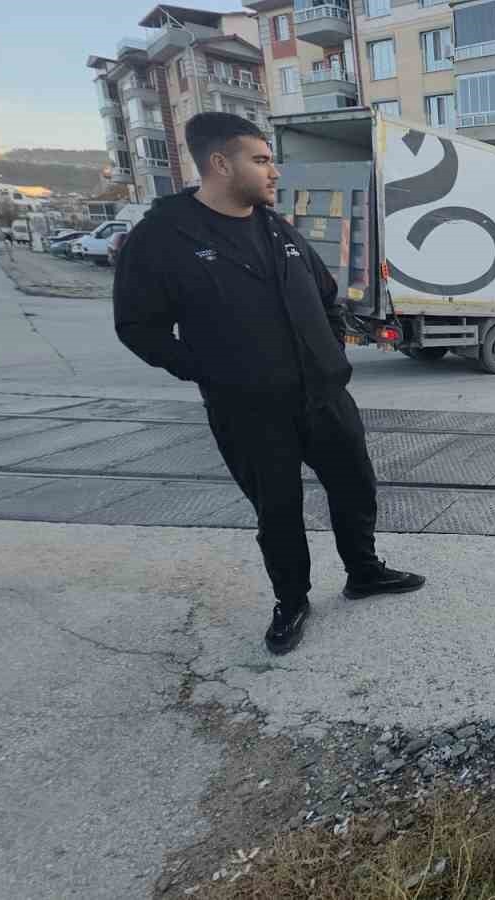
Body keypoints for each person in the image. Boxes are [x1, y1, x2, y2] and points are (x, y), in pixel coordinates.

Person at [113, 113, 424, 656]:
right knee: (277, 511)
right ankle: (292, 600)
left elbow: (325, 295)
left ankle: (364, 572)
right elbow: (138, 326)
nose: (273, 172)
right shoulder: (163, 238)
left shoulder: (275, 225)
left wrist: (329, 352)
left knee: (355, 488)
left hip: (324, 397)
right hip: (250, 410)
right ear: (219, 164)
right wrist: (207, 369)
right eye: (260, 160)